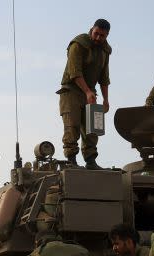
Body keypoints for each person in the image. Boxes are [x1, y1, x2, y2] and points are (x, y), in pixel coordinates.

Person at [57, 18, 111, 170]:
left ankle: (91, 161)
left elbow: (104, 77)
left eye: (102, 36)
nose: (98, 38)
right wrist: (87, 91)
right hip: (71, 90)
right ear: (91, 30)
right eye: (96, 34)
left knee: (93, 128)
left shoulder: (105, 50)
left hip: (91, 93)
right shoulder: (78, 44)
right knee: (72, 126)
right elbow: (75, 72)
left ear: (107, 35)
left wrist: (106, 100)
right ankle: (71, 160)